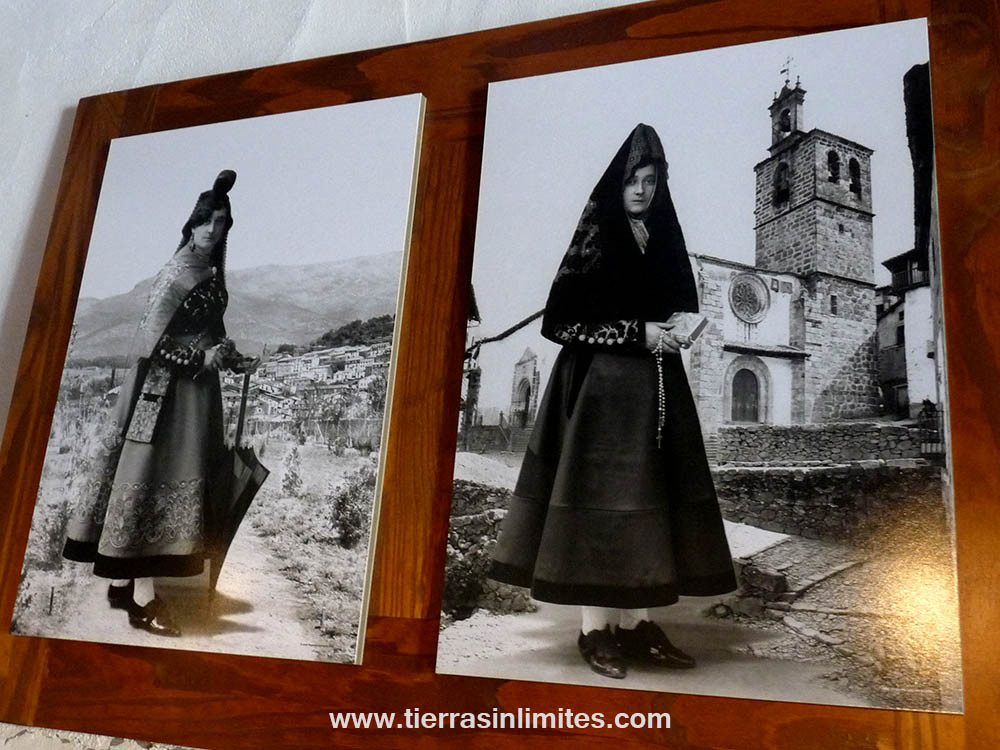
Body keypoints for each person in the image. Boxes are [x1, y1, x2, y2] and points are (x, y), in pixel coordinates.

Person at [488, 124, 737, 680]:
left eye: (651, 181)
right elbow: (561, 322)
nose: (642, 191)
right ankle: (594, 632)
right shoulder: (597, 235)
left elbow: (680, 307)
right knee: (597, 505)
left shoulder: (665, 239)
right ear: (617, 183)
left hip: (656, 392)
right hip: (598, 394)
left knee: (651, 506)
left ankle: (637, 627)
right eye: (632, 180)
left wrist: (680, 324)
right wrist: (635, 333)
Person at [64, 170, 255, 637]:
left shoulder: (211, 272)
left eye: (222, 222)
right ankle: (148, 599)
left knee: (178, 478)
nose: (213, 230)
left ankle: (126, 584)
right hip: (163, 395)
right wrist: (201, 359)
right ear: (190, 226)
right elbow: (148, 344)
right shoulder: (174, 273)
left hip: (197, 397)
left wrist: (230, 358)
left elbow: (212, 331)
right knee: (151, 476)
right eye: (206, 221)